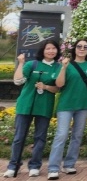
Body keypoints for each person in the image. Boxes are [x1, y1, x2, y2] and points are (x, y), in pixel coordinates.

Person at [4, 40, 61, 178]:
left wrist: (46, 87)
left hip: (44, 106)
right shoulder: (32, 64)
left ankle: (35, 166)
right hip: (26, 105)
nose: (51, 51)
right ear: (43, 50)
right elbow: (18, 81)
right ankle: (13, 166)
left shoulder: (58, 67)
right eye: (48, 48)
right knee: (19, 137)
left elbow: (58, 88)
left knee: (40, 137)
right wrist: (21, 63)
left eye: (54, 48)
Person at [47, 39, 87, 180]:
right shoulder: (65, 64)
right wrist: (63, 67)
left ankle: (69, 164)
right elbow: (59, 84)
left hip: (84, 105)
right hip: (66, 105)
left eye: (85, 47)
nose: (82, 49)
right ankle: (53, 168)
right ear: (74, 48)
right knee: (61, 135)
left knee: (77, 136)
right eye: (79, 46)